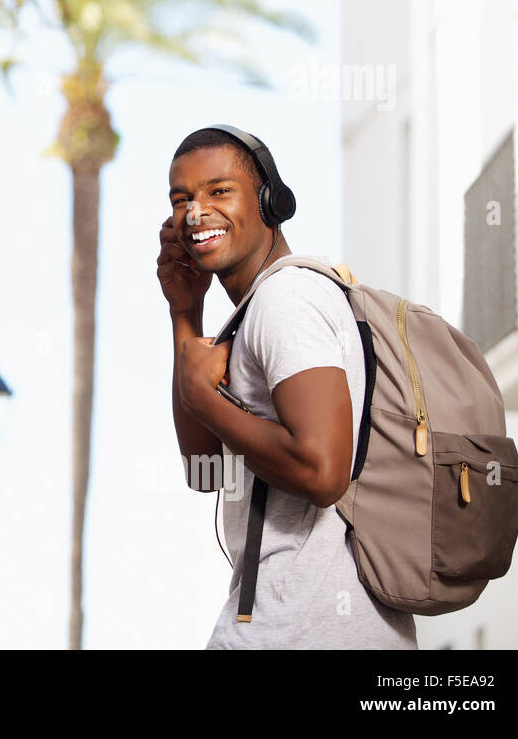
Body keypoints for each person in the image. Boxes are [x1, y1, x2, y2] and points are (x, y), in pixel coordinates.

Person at [156, 126, 416, 649]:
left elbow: (322, 472)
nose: (196, 211)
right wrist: (185, 311)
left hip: (303, 624)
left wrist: (204, 396)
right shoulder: (260, 310)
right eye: (181, 198)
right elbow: (206, 471)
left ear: (271, 201)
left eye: (219, 191)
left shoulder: (286, 301)